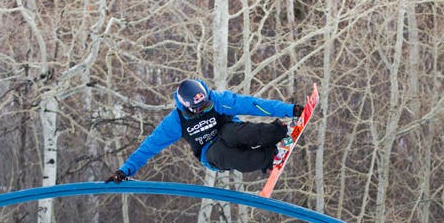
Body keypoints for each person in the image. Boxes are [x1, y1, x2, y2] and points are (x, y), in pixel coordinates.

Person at [105, 79, 302, 182]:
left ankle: (280, 132)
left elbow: (252, 105)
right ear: (187, 107)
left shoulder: (216, 99)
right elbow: (149, 147)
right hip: (209, 151)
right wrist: (125, 170)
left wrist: (289, 110)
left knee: (237, 133)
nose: (205, 109)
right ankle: (269, 158)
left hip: (228, 131)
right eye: (200, 109)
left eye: (207, 105)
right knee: (231, 156)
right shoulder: (175, 121)